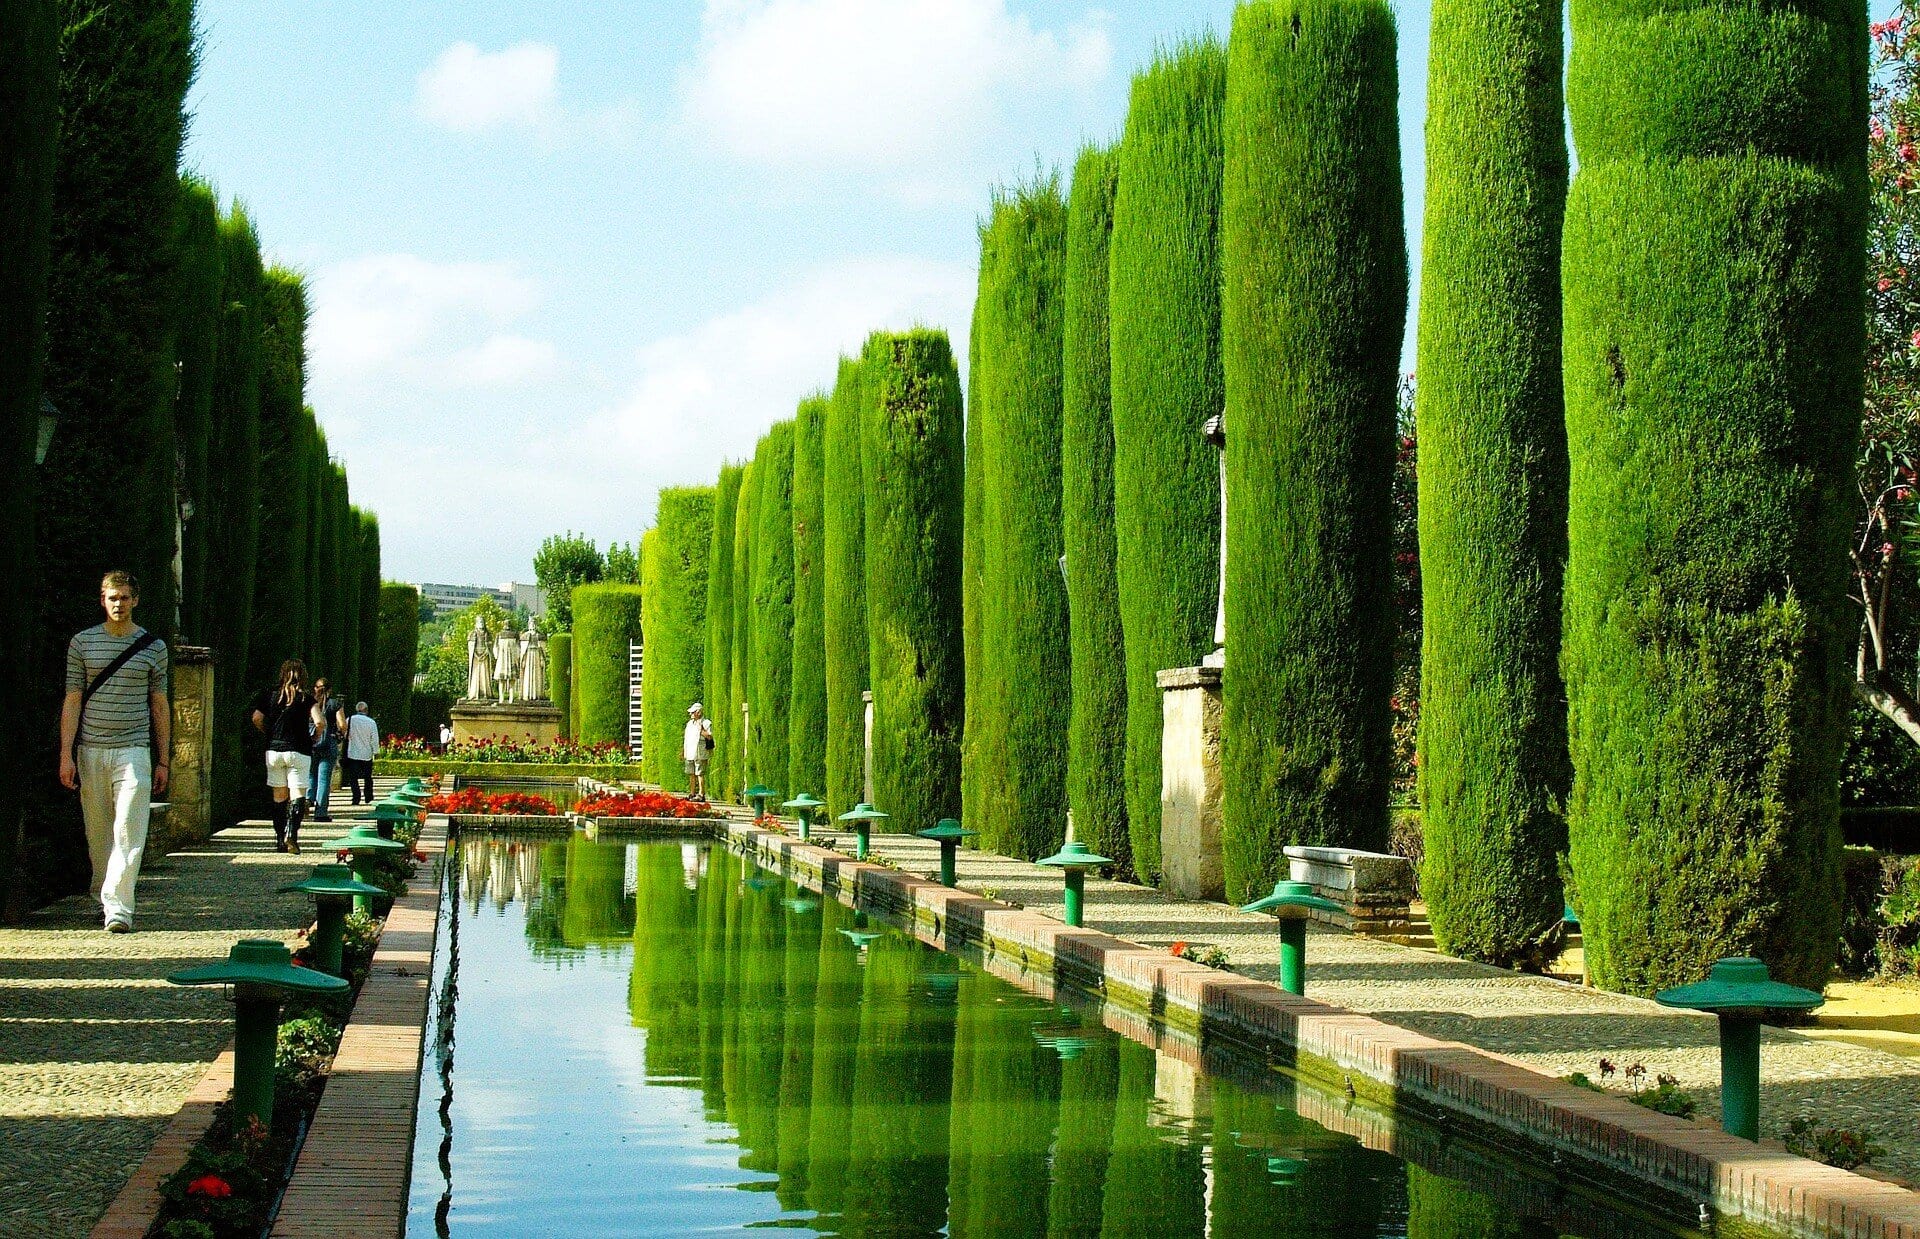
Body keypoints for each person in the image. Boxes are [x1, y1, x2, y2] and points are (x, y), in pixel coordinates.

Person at [58, 570, 169, 933]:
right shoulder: (82, 643)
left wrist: (163, 759)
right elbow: (73, 699)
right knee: (99, 835)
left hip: (134, 750)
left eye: (124, 597)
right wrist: (66, 754)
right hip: (91, 749)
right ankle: (103, 895)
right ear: (102, 600)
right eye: (112, 598)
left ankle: (119, 909)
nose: (118, 604)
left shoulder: (154, 647)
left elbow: (159, 704)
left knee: (128, 829)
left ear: (135, 600)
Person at [250, 659, 325, 853]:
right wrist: (314, 737)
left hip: (274, 750)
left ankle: (279, 840)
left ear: (282, 674)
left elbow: (256, 718)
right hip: (299, 750)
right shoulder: (307, 699)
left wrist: (269, 732)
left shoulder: (269, 695)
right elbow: (319, 722)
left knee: (279, 797)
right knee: (298, 795)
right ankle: (291, 835)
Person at [308, 678, 348, 823]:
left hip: (312, 742)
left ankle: (307, 801)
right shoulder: (335, 704)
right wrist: (340, 735)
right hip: (328, 742)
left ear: (315, 688)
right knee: (324, 779)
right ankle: (320, 812)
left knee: (311, 775)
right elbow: (342, 724)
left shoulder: (310, 702)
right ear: (330, 690)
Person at [343, 701, 379, 805]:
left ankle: (356, 797)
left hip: (352, 753)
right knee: (367, 777)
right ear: (366, 710)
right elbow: (374, 739)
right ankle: (368, 797)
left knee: (353, 778)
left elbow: (345, 734)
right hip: (366, 754)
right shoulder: (371, 722)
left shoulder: (350, 720)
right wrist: (376, 751)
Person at [683, 702, 713, 802]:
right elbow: (687, 738)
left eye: (693, 712)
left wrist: (701, 730)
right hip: (690, 752)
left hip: (700, 751)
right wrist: (683, 751)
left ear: (699, 712)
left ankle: (701, 794)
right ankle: (692, 793)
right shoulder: (689, 724)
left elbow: (710, 737)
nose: (691, 714)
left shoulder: (706, 723)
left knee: (700, 773)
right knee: (691, 773)